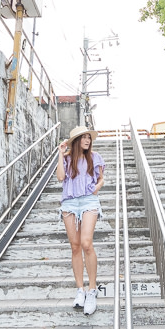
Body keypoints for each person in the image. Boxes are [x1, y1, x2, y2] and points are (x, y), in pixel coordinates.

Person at [56, 126, 105, 315]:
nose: (87, 140)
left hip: (89, 200)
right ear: (76, 141)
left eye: (88, 138)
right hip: (69, 202)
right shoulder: (68, 159)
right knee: (75, 246)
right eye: (83, 138)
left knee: (86, 243)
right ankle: (80, 290)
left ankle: (92, 290)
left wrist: (96, 188)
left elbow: (101, 178)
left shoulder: (95, 157)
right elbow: (61, 177)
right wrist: (61, 154)